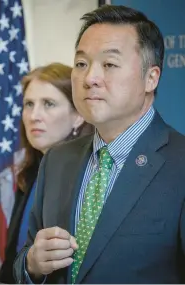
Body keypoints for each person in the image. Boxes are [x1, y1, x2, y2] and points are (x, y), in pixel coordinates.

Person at [14, 5, 185, 284]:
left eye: (109, 64)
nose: (90, 78)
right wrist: (32, 263)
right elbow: (27, 255)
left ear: (151, 77)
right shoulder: (57, 159)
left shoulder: (180, 164)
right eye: (81, 64)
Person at [0, 63, 93, 284]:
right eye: (28, 104)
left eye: (48, 104)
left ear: (78, 115)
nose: (34, 116)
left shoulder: (91, 177)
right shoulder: (30, 173)